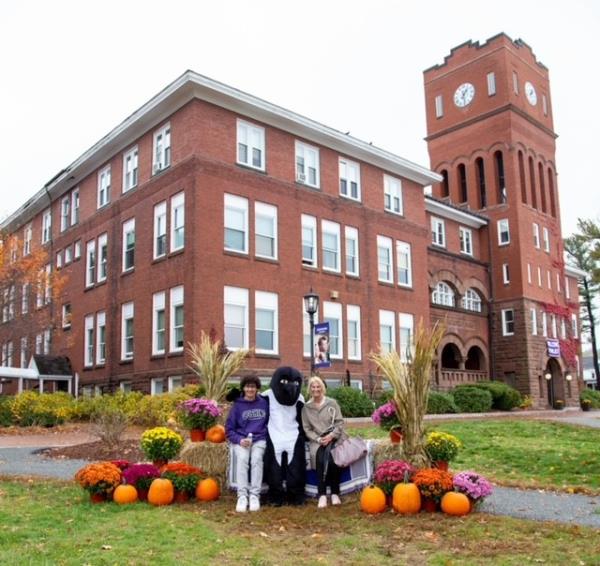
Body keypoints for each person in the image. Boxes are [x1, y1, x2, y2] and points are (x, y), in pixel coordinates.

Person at [301, 376, 348, 508]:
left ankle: (334, 493)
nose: (316, 389)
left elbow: (340, 422)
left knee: (333, 460)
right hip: (318, 440)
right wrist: (318, 439)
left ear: (322, 388)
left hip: (334, 437)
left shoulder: (332, 403)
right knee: (320, 459)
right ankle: (321, 494)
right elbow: (307, 429)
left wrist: (331, 436)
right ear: (309, 389)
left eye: (318, 386)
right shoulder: (306, 408)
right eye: (313, 387)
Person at [225, 375, 269, 513]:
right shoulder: (237, 405)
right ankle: (242, 496)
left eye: (253, 386)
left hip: (259, 439)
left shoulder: (264, 403)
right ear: (243, 388)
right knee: (243, 459)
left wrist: (264, 435)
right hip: (241, 439)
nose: (250, 389)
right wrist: (239, 440)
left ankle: (255, 495)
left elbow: (270, 423)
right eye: (248, 386)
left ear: (257, 388)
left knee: (256, 459)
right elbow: (229, 429)